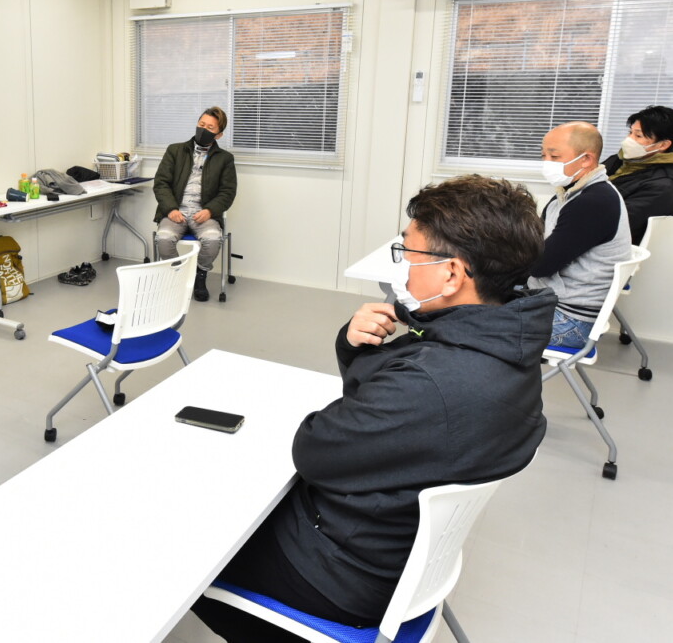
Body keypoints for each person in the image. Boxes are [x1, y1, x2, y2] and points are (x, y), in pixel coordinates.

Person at [192, 175, 551, 639]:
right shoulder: (507, 344)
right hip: (393, 550)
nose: (403, 267)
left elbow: (314, 450)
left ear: (451, 273)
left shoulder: (431, 382)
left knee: (192, 528)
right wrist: (355, 344)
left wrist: (367, 371)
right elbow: (386, 403)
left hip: (338, 576)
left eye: (409, 252)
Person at [528, 121, 631, 350]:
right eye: (544, 156)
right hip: (554, 302)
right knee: (478, 300)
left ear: (586, 159)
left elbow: (540, 265)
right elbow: (536, 240)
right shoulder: (569, 194)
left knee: (474, 323)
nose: (547, 163)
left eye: (554, 156)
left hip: (571, 320)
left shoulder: (593, 202)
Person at [153, 106, 237, 301]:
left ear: (219, 134)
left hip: (204, 214)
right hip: (176, 212)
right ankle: (179, 276)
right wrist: (171, 209)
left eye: (210, 128)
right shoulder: (175, 150)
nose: (203, 130)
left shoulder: (225, 159)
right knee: (163, 238)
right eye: (201, 124)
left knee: (213, 239)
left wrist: (210, 211)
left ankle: (200, 276)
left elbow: (227, 192)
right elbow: (161, 183)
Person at [602, 105, 673, 245]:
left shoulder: (664, 186)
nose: (628, 140)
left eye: (638, 136)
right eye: (630, 133)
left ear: (663, 145)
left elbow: (616, 224)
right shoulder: (621, 160)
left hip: (609, 246)